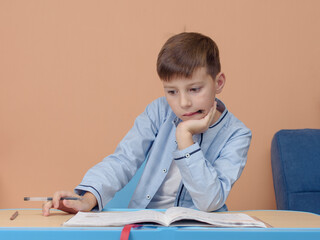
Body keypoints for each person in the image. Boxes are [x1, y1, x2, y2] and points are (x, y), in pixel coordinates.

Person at [42, 32, 252, 216]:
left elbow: (209, 201)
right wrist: (87, 200)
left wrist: (185, 137)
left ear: (219, 82)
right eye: (172, 92)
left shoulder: (237, 134)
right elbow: (123, 159)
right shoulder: (159, 111)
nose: (183, 103)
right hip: (147, 223)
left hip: (200, 229)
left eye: (195, 89)